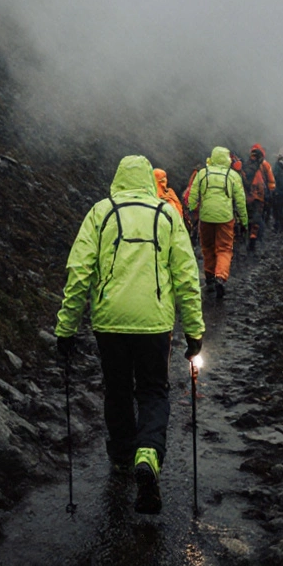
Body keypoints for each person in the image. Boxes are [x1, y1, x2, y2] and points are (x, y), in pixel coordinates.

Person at [55, 155, 205, 515]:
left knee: (118, 389)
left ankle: (123, 457)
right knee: (153, 390)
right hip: (154, 324)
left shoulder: (100, 213)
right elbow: (186, 276)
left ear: (119, 179)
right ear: (150, 182)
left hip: (109, 322)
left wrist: (66, 328)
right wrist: (194, 331)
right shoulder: (167, 215)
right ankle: (149, 454)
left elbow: (79, 272)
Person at [187, 146, 248, 301]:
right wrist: (244, 221)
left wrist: (191, 211)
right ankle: (220, 276)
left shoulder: (202, 174)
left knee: (207, 247)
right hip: (225, 218)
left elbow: (193, 195)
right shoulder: (233, 176)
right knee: (224, 249)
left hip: (206, 217)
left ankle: (209, 279)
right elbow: (240, 201)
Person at [242, 144, 275, 254]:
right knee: (257, 219)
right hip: (259, 197)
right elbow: (271, 181)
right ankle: (254, 240)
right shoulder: (264, 165)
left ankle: (246, 239)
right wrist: (270, 193)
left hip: (247, 197)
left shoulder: (245, 165)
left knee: (247, 218)